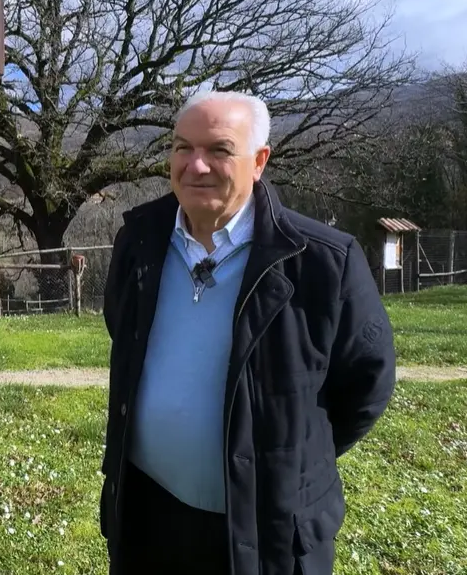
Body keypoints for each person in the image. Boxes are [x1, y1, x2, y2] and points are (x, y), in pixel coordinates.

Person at [99, 91, 396, 575]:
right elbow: (124, 332)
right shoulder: (139, 239)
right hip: (146, 514)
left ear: (259, 161)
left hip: (265, 528)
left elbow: (367, 383)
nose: (195, 165)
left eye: (219, 150)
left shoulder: (322, 262)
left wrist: (283, 452)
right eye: (182, 147)